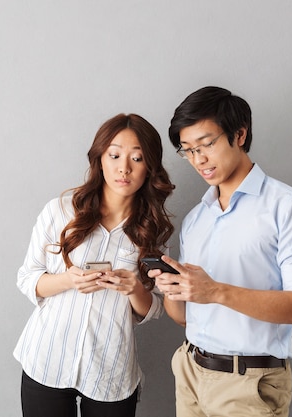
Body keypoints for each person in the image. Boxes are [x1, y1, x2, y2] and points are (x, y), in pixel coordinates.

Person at [149, 86, 292, 417]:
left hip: (248, 382)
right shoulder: (196, 219)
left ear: (239, 134)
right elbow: (184, 318)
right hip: (189, 372)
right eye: (188, 150)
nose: (199, 159)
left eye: (207, 144)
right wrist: (172, 290)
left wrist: (216, 291)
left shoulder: (289, 207)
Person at [14, 113, 175, 417]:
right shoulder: (60, 211)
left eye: (137, 158)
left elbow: (154, 307)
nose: (123, 168)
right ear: (100, 158)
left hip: (110, 370)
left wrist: (134, 288)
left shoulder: (152, 230)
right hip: (46, 359)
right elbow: (28, 278)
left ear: (149, 167)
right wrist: (68, 280)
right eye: (114, 155)